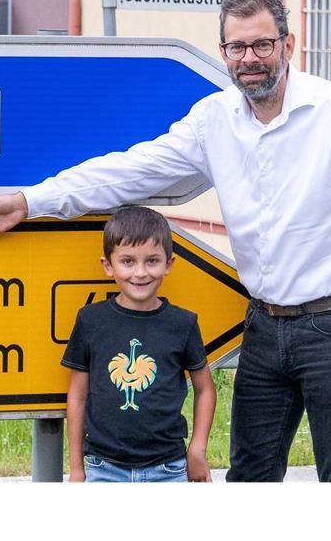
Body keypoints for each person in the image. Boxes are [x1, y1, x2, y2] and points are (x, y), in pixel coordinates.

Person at [0, 0, 331, 482]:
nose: (250, 59)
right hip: (262, 325)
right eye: (237, 47)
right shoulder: (213, 122)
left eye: (262, 44)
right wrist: (28, 202)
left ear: (288, 44)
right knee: (249, 479)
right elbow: (128, 171)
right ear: (223, 53)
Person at [64, 206, 215, 483]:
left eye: (152, 261)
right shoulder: (90, 321)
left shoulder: (183, 324)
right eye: (128, 261)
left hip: (169, 468)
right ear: (108, 266)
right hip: (103, 468)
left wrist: (197, 449)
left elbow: (205, 389)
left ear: (169, 264)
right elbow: (77, 395)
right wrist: (76, 469)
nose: (141, 272)